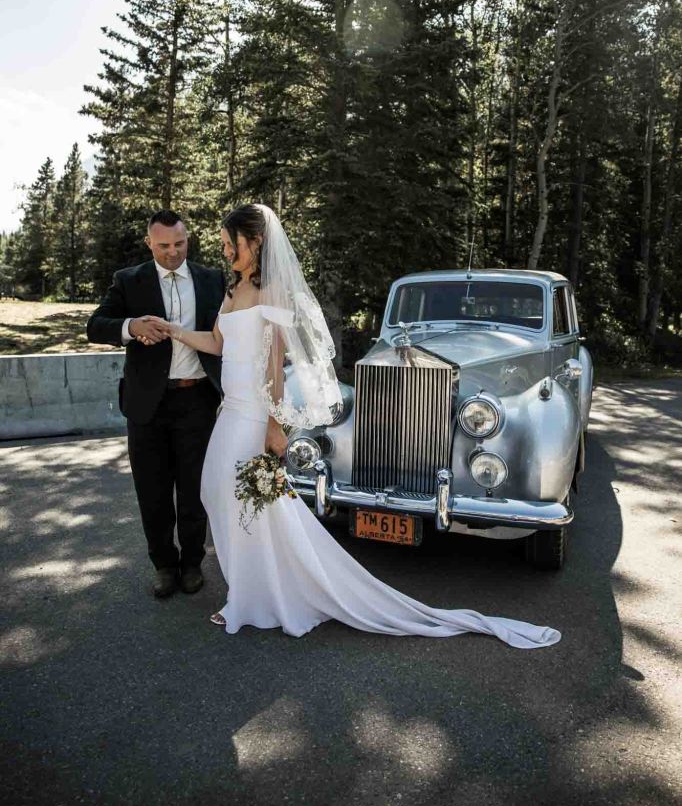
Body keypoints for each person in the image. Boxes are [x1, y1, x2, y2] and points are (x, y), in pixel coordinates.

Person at [158, 203, 561, 649]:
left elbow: (274, 365)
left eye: (231, 242)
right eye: (223, 243)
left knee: (247, 501)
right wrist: (173, 330)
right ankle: (257, 587)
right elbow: (216, 342)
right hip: (228, 409)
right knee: (220, 493)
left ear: (254, 242)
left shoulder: (271, 291)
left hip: (252, 412)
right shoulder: (233, 288)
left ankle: (252, 598)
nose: (225, 249)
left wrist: (275, 424)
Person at [86, 209, 225, 598]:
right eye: (163, 245)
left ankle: (193, 563)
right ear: (150, 243)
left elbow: (226, 335)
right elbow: (95, 325)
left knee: (195, 490)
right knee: (153, 491)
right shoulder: (129, 281)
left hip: (198, 398)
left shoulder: (211, 279)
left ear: (188, 239)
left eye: (179, 243)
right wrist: (131, 327)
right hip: (147, 404)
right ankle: (164, 565)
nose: (172, 251)